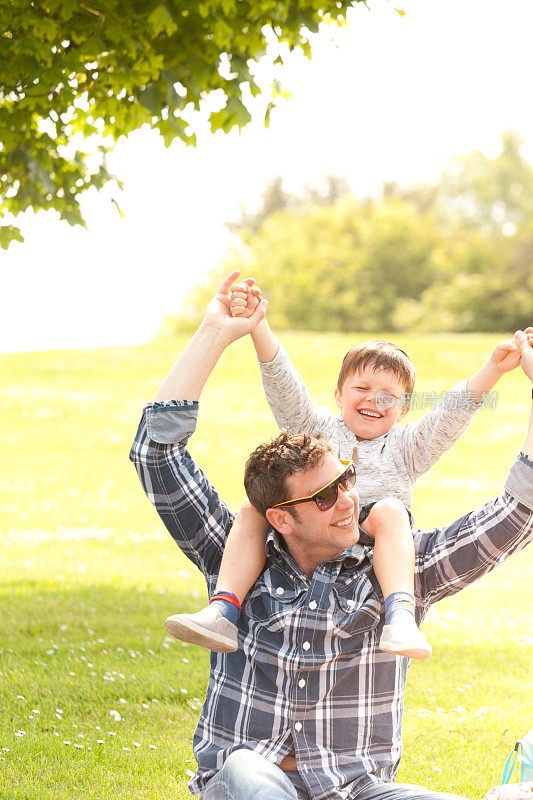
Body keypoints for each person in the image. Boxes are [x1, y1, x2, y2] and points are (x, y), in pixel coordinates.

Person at [130, 272, 533, 800]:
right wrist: (218, 332)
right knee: (251, 775)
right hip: (252, 779)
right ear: (281, 518)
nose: (349, 498)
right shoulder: (240, 551)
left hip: (359, 789)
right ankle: (221, 612)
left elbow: (518, 512)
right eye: (325, 495)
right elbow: (156, 455)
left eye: (348, 480)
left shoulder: (400, 565)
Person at [164, 276, 526, 659]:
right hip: (311, 521)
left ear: (404, 410)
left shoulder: (408, 447)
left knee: (389, 510)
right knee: (255, 506)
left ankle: (400, 616)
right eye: (362, 388)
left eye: (389, 395)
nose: (374, 400)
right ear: (338, 395)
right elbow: (283, 384)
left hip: (371, 534)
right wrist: (258, 326)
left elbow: (448, 415)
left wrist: (493, 369)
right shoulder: (316, 431)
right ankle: (222, 609)